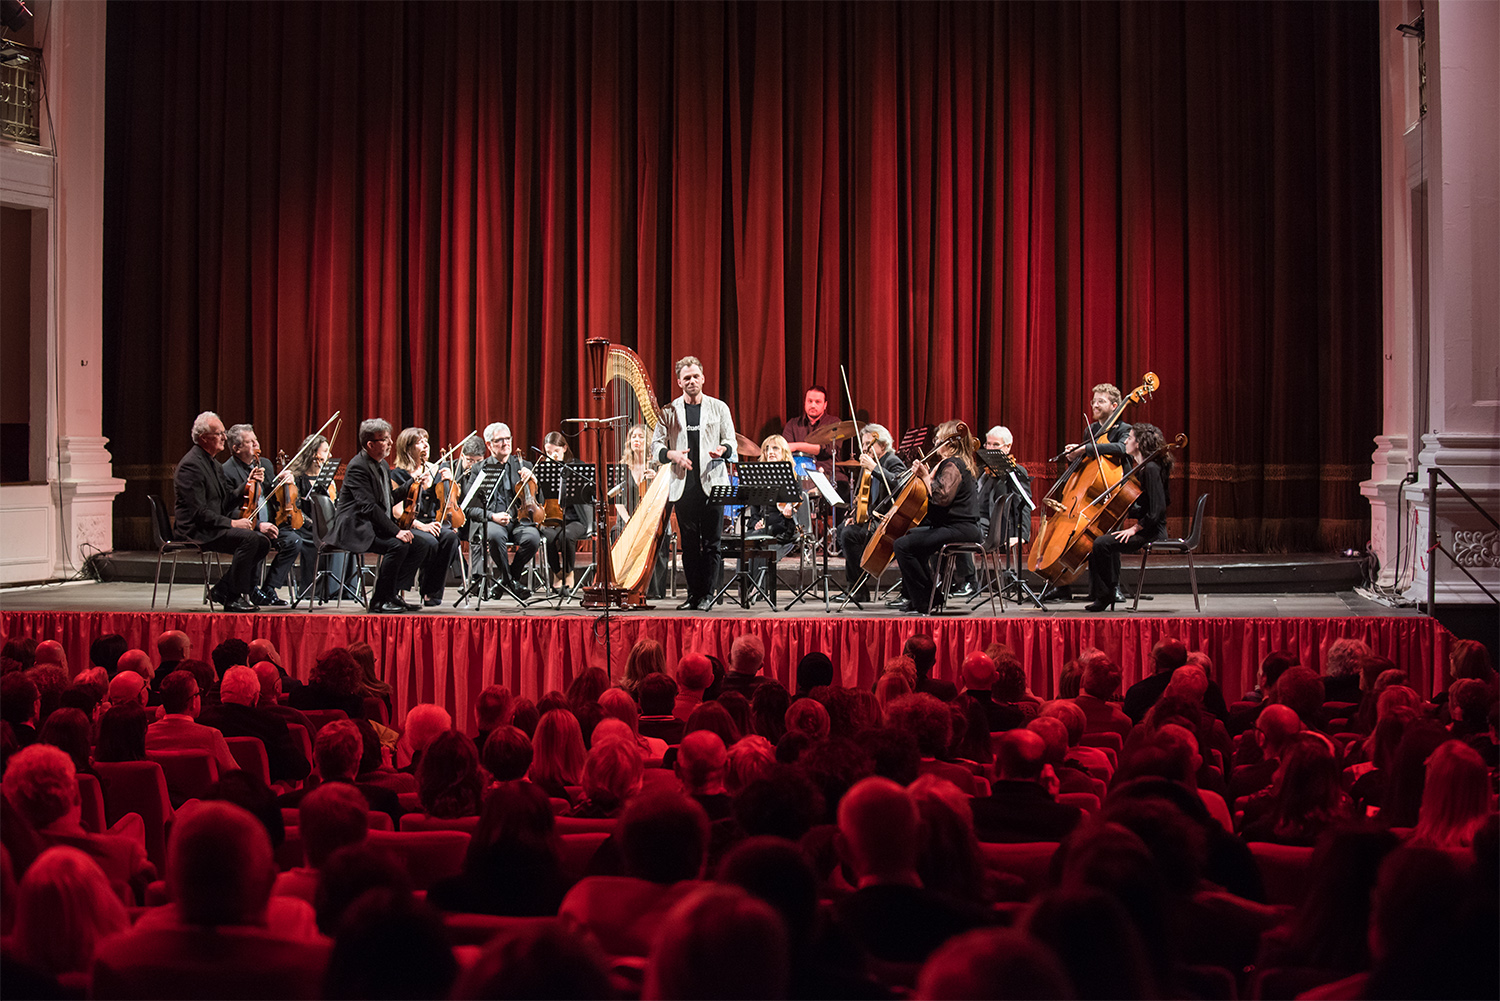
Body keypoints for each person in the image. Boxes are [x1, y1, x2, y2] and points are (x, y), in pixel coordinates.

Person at [651, 355, 738, 611]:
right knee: (689, 545)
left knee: (712, 543)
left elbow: (731, 441)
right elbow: (656, 444)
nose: (691, 381)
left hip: (713, 482)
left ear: (703, 378)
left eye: (695, 376)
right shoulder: (668, 411)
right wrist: (672, 454)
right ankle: (693, 594)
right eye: (686, 378)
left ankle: (707, 594)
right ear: (679, 381)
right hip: (683, 484)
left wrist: (724, 449)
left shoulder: (719, 407)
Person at [172, 411, 274, 611]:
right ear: (203, 438)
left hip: (211, 525)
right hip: (196, 530)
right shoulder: (191, 466)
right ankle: (233, 598)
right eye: (219, 433)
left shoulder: (213, 464)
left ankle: (223, 589)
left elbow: (225, 500)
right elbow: (198, 512)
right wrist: (232, 523)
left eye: (223, 433)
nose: (224, 437)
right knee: (251, 539)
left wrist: (248, 484)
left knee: (262, 541)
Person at [325, 418, 425, 614]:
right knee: (397, 545)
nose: (389, 443)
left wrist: (412, 484)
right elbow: (368, 507)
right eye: (384, 440)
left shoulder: (382, 465)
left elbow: (387, 499)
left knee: (420, 545)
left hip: (373, 525)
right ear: (370, 444)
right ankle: (379, 601)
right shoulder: (357, 467)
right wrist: (396, 531)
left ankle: (392, 594)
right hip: (356, 528)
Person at [892, 419, 984, 614]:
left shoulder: (952, 464)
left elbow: (941, 498)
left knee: (902, 545)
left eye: (939, 439)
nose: (935, 442)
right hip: (955, 526)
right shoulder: (955, 463)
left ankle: (926, 600)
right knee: (910, 540)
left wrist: (925, 477)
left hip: (960, 528)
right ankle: (927, 597)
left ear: (949, 442)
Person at [219, 423, 313, 606]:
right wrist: (257, 524)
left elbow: (273, 497)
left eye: (256, 439)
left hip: (271, 523)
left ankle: (269, 588)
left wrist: (287, 482)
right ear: (236, 448)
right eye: (251, 442)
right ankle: (250, 588)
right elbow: (227, 508)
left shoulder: (266, 465)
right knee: (257, 540)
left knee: (294, 541)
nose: (257, 445)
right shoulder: (226, 471)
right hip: (247, 527)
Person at [1085, 422, 1170, 612]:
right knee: (1102, 542)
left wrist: (1134, 528)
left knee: (1101, 544)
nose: (1126, 442)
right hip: (1147, 528)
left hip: (1152, 532)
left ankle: (1106, 595)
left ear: (1138, 443)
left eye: (1130, 438)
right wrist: (1118, 503)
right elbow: (1145, 506)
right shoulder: (1144, 467)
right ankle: (1108, 592)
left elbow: (1158, 510)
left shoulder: (1151, 469)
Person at [462, 422, 542, 600]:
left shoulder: (523, 465)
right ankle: (510, 581)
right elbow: (470, 508)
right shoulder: (478, 469)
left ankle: (507, 579)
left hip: (519, 521)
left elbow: (539, 501)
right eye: (500, 440)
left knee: (533, 538)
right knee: (495, 536)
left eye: (508, 438)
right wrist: (492, 516)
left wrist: (534, 481)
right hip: (493, 522)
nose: (506, 443)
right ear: (489, 445)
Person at [389, 426, 463, 607]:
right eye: (419, 442)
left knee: (450, 537)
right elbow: (397, 511)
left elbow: (447, 501)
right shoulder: (398, 474)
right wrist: (422, 526)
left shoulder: (437, 469)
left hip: (434, 522)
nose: (425, 446)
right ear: (407, 448)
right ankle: (397, 590)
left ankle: (431, 590)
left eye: (426, 441)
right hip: (409, 524)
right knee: (429, 541)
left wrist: (450, 481)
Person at [838, 422, 907, 602]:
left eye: (869, 443)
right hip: (871, 520)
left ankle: (858, 588)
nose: (864, 448)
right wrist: (854, 516)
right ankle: (856, 585)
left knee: (849, 535)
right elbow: (863, 497)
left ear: (882, 445)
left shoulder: (891, 460)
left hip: (887, 523)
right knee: (843, 530)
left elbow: (902, 484)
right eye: (863, 443)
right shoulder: (871, 463)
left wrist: (874, 468)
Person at [743, 434, 804, 601]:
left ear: (784, 452)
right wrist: (756, 522)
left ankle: (758, 589)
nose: (770, 452)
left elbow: (795, 507)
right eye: (767, 449)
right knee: (746, 538)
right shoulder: (758, 477)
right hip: (764, 527)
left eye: (775, 448)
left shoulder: (792, 478)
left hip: (783, 528)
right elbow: (754, 509)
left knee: (759, 540)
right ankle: (746, 589)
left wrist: (790, 511)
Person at [536, 431, 593, 593]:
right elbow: (539, 497)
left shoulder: (578, 467)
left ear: (565, 448)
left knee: (567, 536)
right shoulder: (544, 470)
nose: (552, 455)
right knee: (548, 536)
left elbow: (588, 495)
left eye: (556, 451)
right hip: (552, 518)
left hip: (576, 519)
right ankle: (557, 572)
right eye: (548, 452)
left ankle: (568, 572)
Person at [781, 384, 839, 481]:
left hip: (826, 472)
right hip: (798, 473)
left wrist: (797, 446)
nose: (813, 405)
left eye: (817, 402)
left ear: (825, 405)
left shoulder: (833, 423)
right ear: (804, 402)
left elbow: (828, 450)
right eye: (810, 401)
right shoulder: (792, 424)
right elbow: (786, 449)